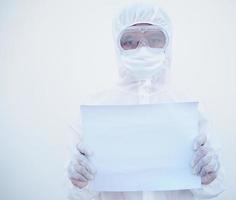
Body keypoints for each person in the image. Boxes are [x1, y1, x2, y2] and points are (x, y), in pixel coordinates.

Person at [67, 3, 225, 200]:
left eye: (154, 39)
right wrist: (79, 182)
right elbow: (77, 193)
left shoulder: (190, 105)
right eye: (130, 41)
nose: (143, 49)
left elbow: (214, 188)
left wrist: (209, 176)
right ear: (117, 44)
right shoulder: (95, 108)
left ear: (168, 42)